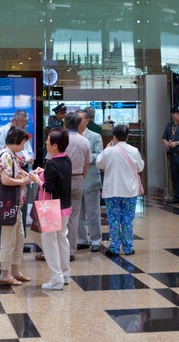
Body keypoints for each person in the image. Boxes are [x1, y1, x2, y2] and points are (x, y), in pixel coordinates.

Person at [0, 127, 40, 287]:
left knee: (19, 238)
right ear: (16, 141)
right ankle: (5, 274)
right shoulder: (6, 155)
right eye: (23, 143)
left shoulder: (11, 155)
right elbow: (5, 180)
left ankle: (14, 270)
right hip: (9, 204)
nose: (23, 147)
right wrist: (23, 182)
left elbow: (17, 174)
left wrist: (31, 175)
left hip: (15, 205)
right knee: (8, 239)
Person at [96, 124, 144, 256]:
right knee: (128, 220)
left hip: (112, 191)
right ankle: (128, 247)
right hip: (130, 191)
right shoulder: (134, 150)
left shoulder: (109, 151)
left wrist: (105, 149)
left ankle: (115, 247)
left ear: (114, 137)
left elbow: (99, 164)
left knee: (114, 220)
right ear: (127, 136)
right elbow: (140, 167)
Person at [37, 127, 72, 290]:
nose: (46, 142)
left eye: (48, 140)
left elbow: (48, 187)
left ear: (55, 145)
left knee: (49, 242)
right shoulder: (66, 160)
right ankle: (65, 274)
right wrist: (44, 172)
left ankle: (56, 278)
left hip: (51, 207)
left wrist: (35, 179)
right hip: (65, 206)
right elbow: (58, 178)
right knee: (62, 239)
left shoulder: (52, 163)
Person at [62, 112, 91, 262]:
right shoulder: (84, 141)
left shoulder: (60, 138)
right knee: (74, 217)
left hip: (61, 181)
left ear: (65, 124)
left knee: (59, 216)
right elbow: (87, 164)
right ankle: (71, 250)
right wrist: (81, 176)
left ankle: (58, 250)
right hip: (78, 178)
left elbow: (50, 161)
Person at [76, 107, 103, 251]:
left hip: (91, 178)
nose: (78, 122)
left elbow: (99, 155)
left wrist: (83, 158)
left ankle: (96, 240)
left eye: (80, 119)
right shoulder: (71, 136)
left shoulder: (95, 136)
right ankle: (81, 239)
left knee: (93, 212)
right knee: (78, 213)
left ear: (87, 120)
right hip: (76, 179)